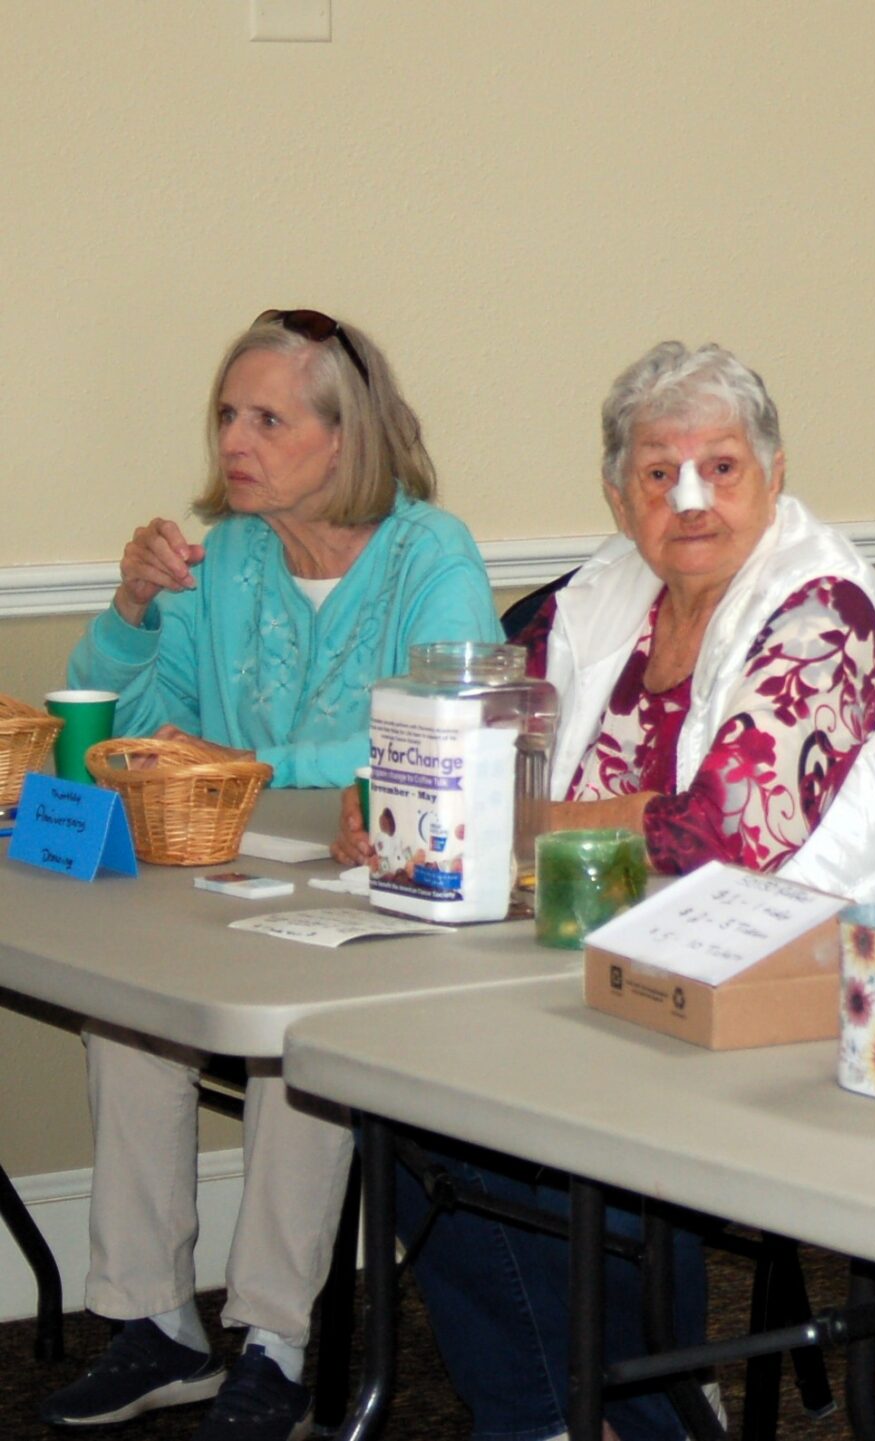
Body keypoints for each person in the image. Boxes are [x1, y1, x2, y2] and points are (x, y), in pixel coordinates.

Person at [378, 341, 875, 1441]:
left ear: (772, 474)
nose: (690, 498)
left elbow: (731, 830)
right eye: (657, 471)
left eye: (720, 468)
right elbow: (483, 723)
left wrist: (505, 819)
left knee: (524, 1109)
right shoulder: (605, 595)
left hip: (849, 985)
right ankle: (562, 1408)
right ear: (617, 493)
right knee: (398, 1091)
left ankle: (634, 1405)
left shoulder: (825, 613)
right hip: (646, 965)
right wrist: (391, 786)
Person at [41, 310, 499, 1440]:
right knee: (125, 1008)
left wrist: (246, 769)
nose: (234, 442)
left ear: (342, 440)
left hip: (393, 888)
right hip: (236, 878)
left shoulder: (429, 552)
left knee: (301, 1037)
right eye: (227, 416)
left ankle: (277, 1343)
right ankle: (156, 1322)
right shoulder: (224, 555)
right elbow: (140, 737)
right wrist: (134, 613)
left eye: (266, 419)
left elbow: (448, 728)